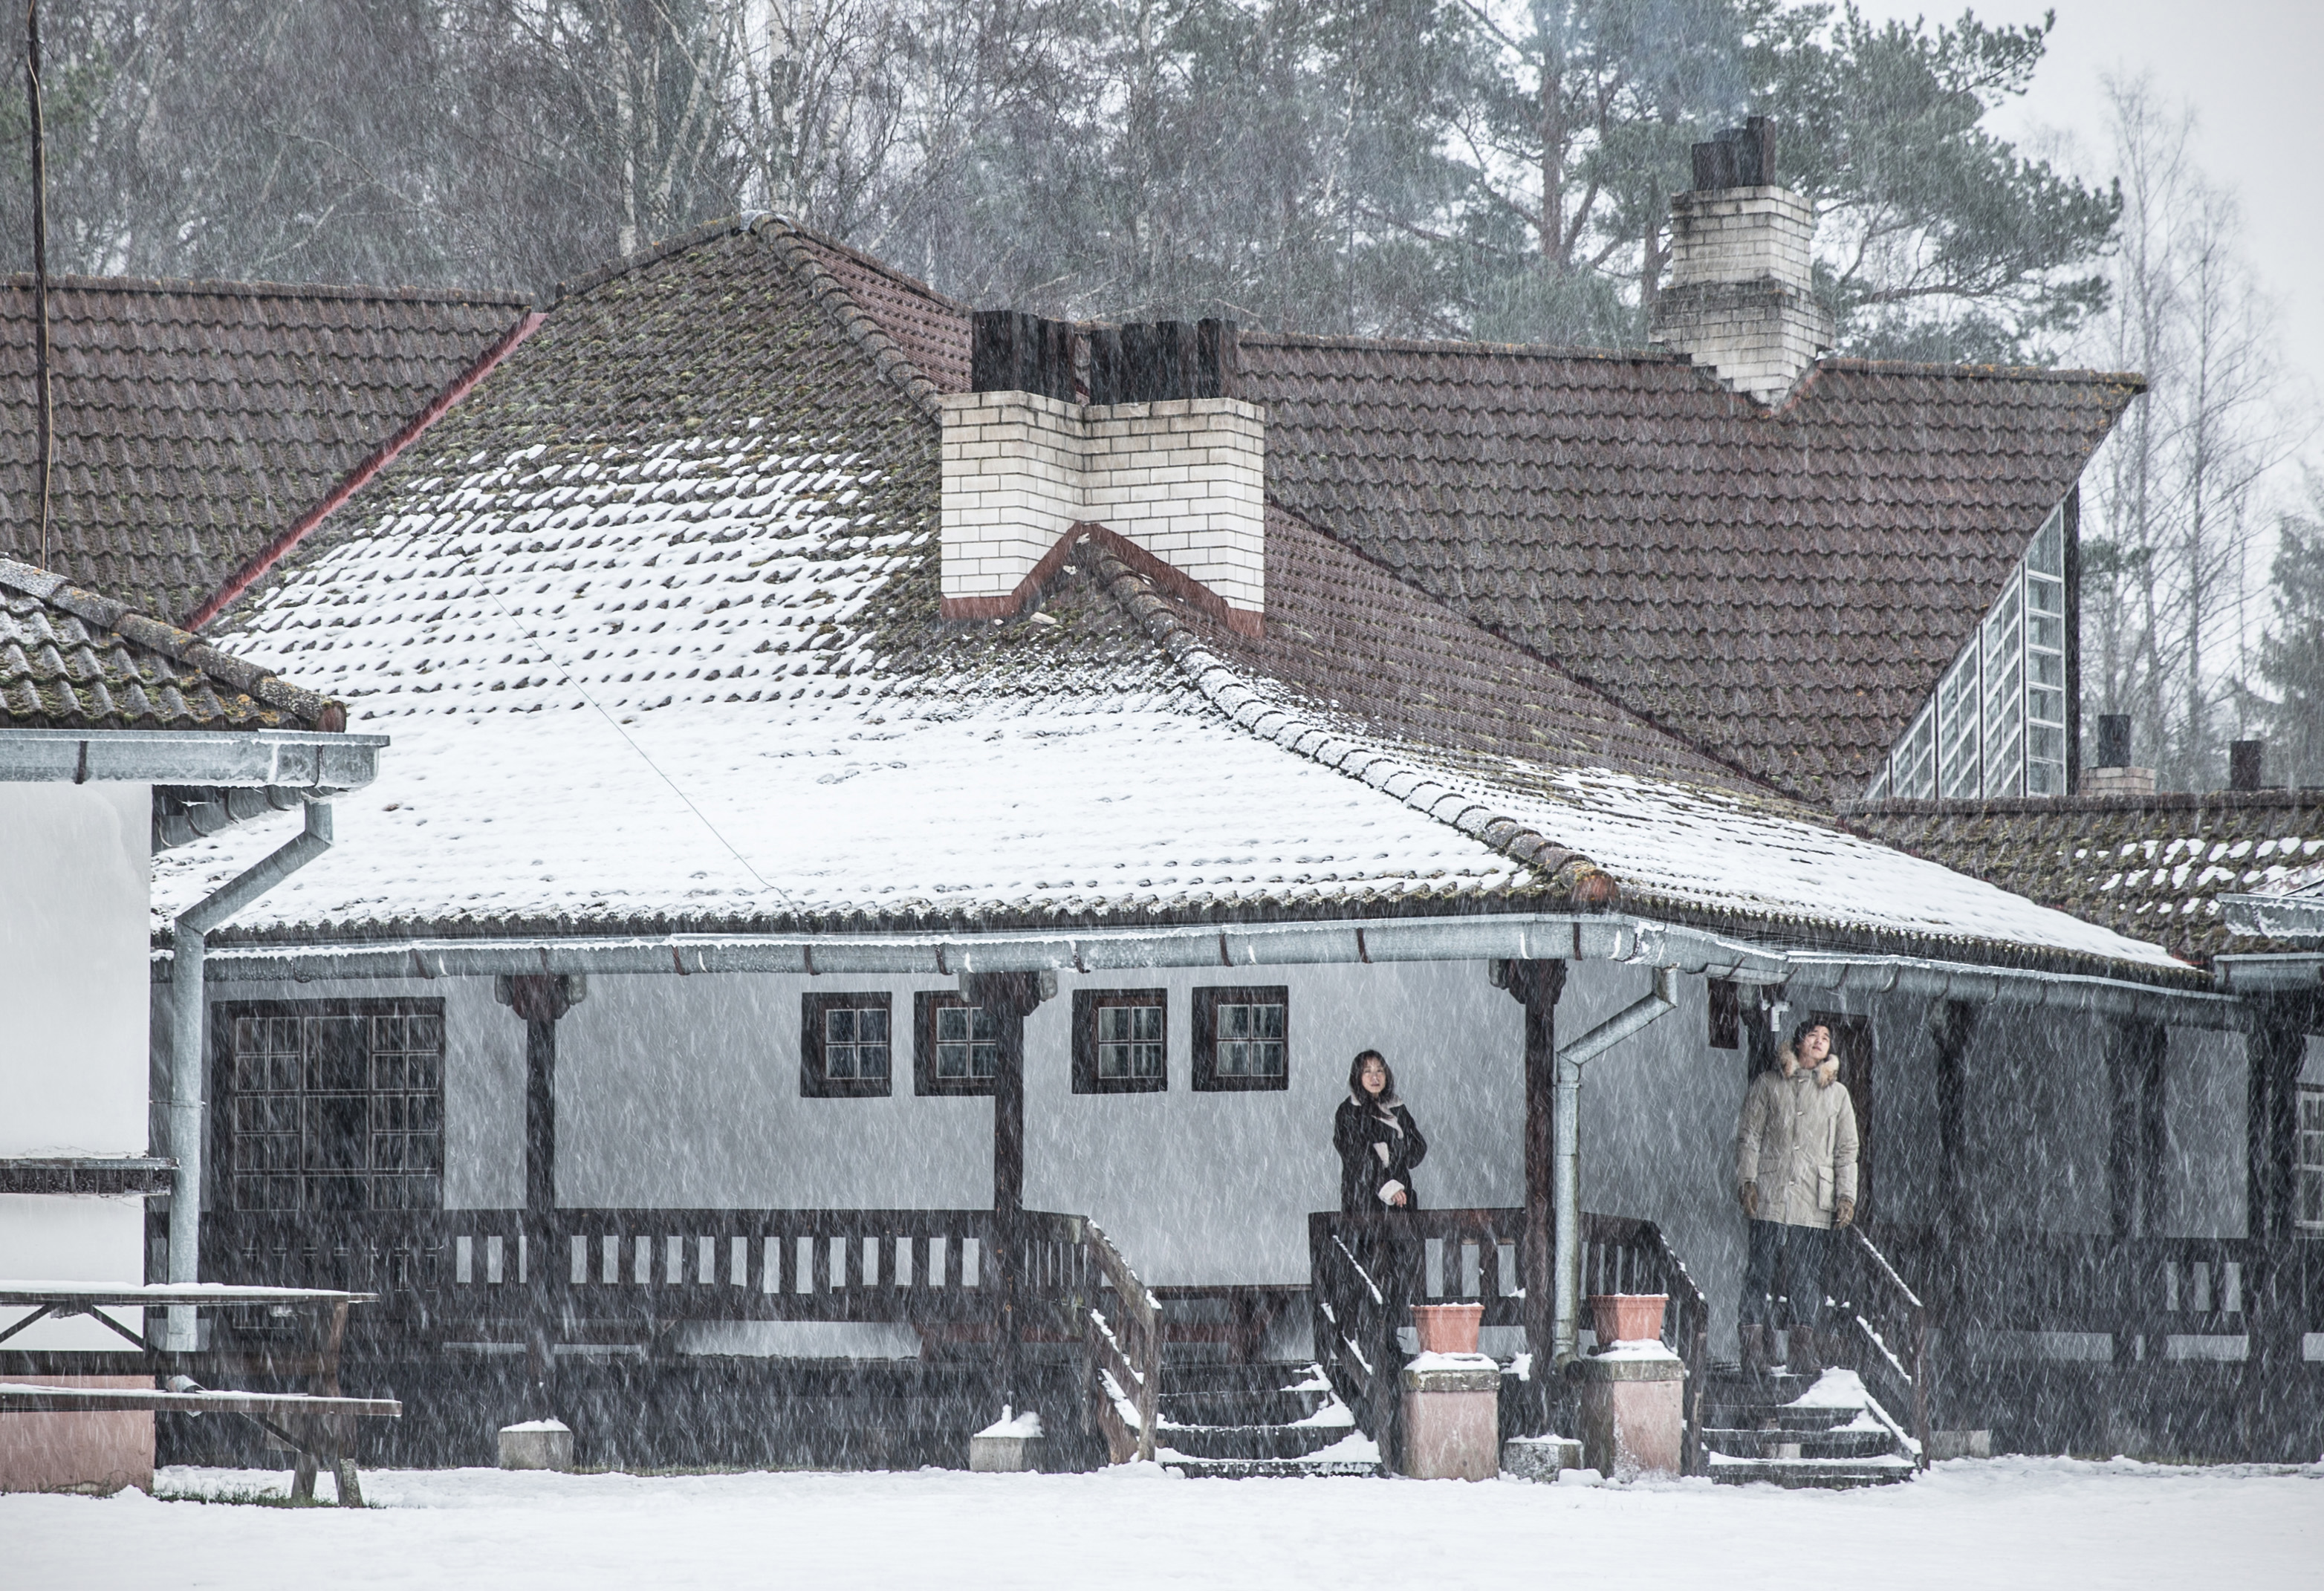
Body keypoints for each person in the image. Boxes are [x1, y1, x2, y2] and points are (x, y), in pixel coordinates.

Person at [1734, 1018, 1860, 1377]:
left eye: (1826, 1038)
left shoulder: (1838, 1096)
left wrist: (1846, 1195)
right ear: (1798, 1042)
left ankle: (1803, 1355)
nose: (1820, 1042)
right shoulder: (1769, 1084)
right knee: (1758, 1273)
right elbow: (1749, 1136)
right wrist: (1748, 1181)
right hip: (1770, 1195)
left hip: (1813, 1198)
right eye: (1813, 1036)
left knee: (1807, 1278)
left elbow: (1847, 1150)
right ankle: (1752, 1354)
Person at [1335, 1050, 1428, 1214]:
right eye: (1367, 1072)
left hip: (1402, 1195)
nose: (1375, 1077)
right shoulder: (1349, 1112)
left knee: (1405, 1236)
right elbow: (1358, 1157)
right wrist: (1388, 1186)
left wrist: (1390, 1153)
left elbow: (1417, 1146)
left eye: (1379, 1070)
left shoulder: (1396, 1106)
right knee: (1371, 1238)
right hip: (1364, 1199)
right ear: (1358, 1077)